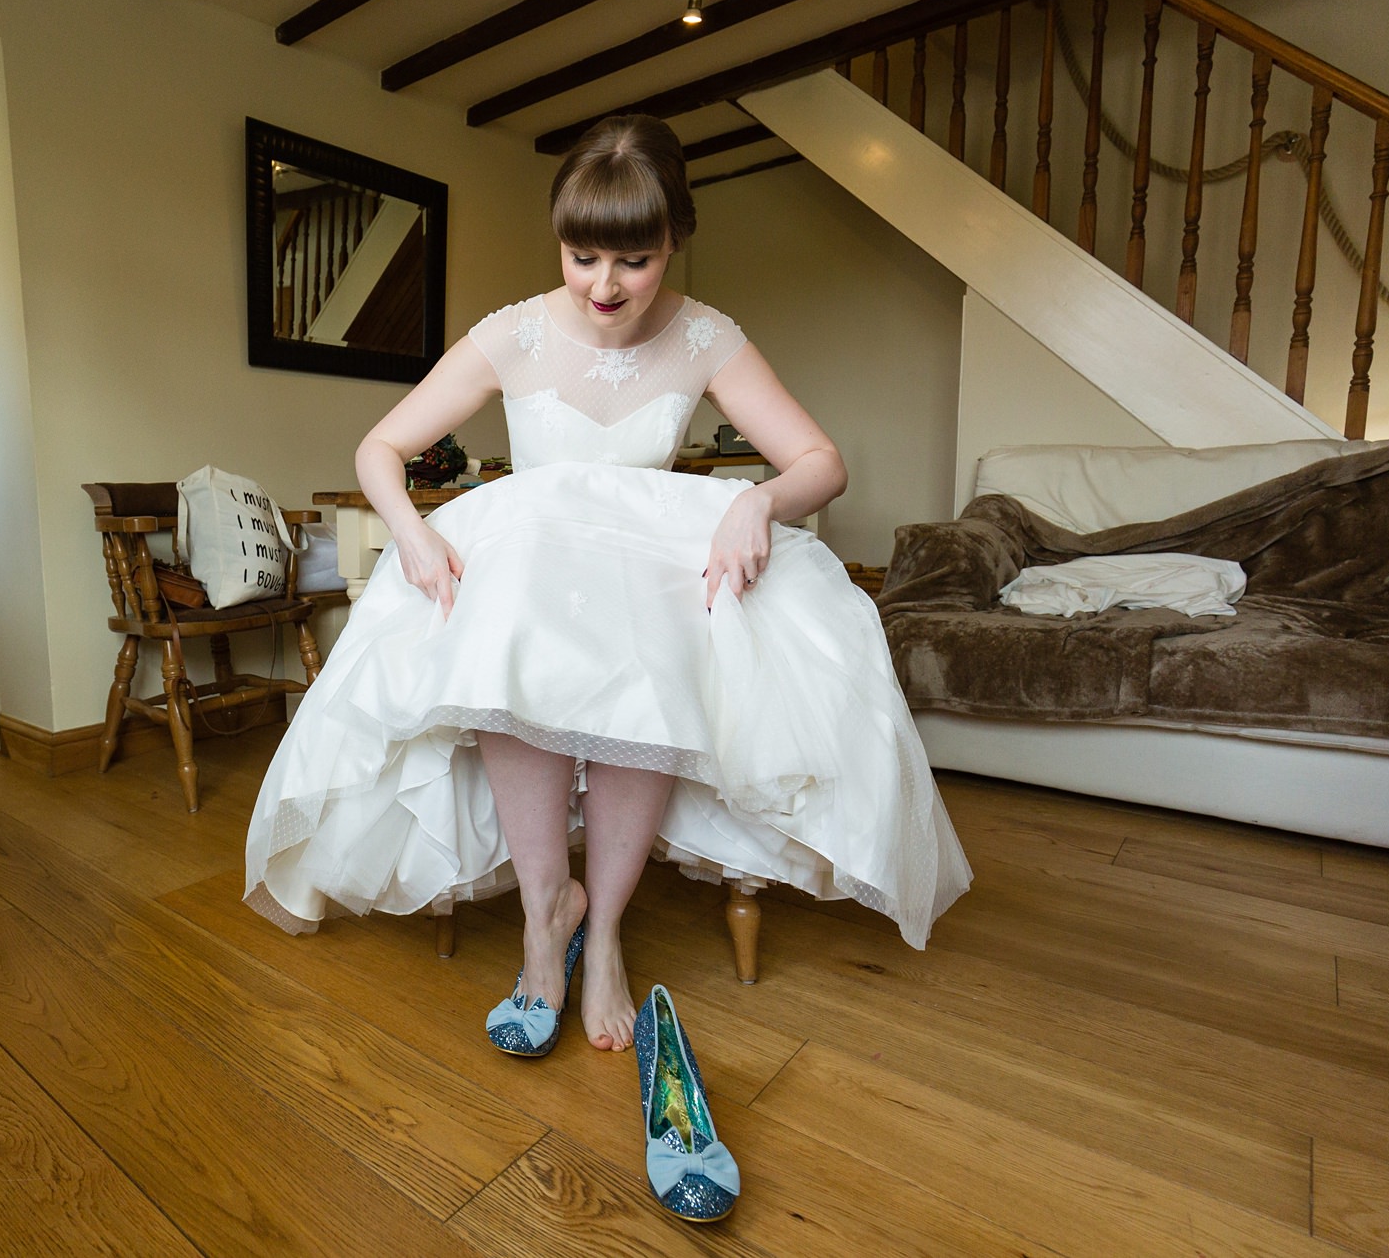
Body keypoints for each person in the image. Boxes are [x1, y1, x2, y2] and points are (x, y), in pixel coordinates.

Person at [245, 114, 971, 1056]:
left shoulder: (706, 337)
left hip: (649, 568)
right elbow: (380, 447)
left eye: (633, 260)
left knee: (652, 691)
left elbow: (820, 461)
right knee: (509, 675)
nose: (603, 285)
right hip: (531, 558)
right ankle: (547, 920)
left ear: (674, 241)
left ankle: (608, 933)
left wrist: (759, 503)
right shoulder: (512, 333)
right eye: (582, 255)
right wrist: (412, 533)